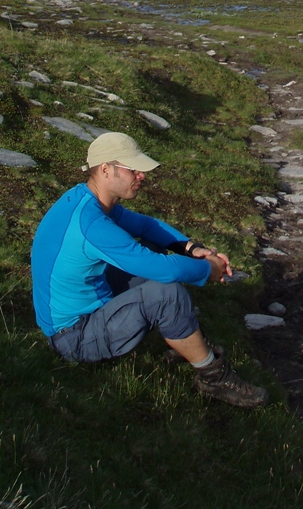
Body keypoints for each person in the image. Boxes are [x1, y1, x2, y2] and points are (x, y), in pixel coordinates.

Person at [31, 131, 268, 409]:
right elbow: (164, 271)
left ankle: (183, 336)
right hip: (73, 338)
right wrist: (206, 269)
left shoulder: (87, 200)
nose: (142, 175)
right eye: (133, 169)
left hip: (87, 304)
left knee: (153, 250)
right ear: (106, 170)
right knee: (168, 294)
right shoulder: (91, 224)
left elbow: (145, 226)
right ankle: (213, 376)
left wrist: (191, 249)